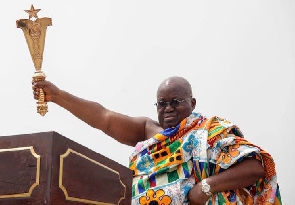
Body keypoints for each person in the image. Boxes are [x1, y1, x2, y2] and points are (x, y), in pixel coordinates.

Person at [33, 76, 282, 204]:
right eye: (162, 103)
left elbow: (257, 166)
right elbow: (104, 118)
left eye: (176, 101)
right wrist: (58, 96)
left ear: (192, 103)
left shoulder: (209, 130)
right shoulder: (147, 130)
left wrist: (205, 187)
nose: (168, 109)